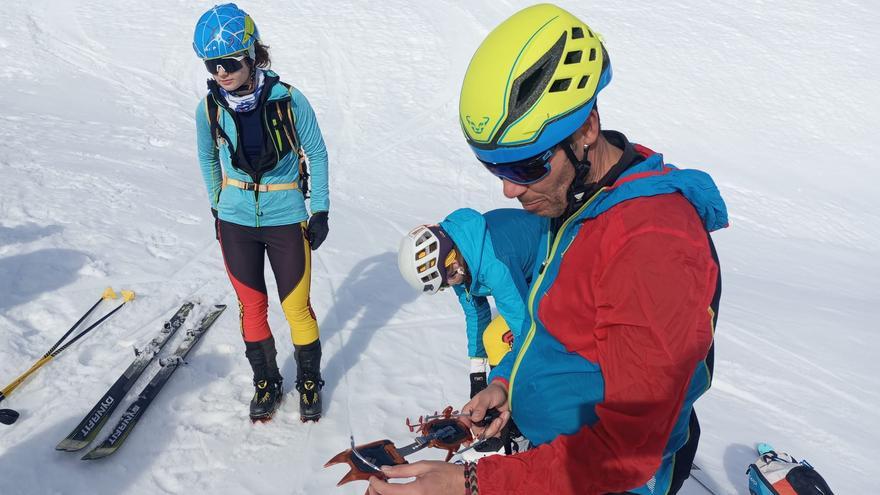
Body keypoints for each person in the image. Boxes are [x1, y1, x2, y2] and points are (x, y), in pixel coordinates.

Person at [369, 3, 727, 494]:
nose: (508, 191)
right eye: (496, 170)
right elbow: (554, 331)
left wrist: (472, 485)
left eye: (524, 168)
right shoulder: (578, 204)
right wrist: (509, 387)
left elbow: (627, 451)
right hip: (550, 455)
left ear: (586, 130)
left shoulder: (651, 246)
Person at [192, 3, 330, 422]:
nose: (221, 72)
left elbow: (318, 155)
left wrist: (319, 209)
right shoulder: (210, 108)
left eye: (229, 62)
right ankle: (266, 381)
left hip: (286, 216)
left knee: (296, 308)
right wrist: (219, 207)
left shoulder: (289, 99)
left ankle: (309, 383)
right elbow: (207, 159)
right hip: (235, 220)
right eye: (212, 64)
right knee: (251, 306)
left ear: (252, 55)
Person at [397, 208, 543, 399]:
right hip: (530, 277)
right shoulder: (459, 253)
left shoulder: (494, 265)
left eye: (447, 279)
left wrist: (505, 386)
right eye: (443, 286)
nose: (449, 286)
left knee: (500, 338)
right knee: (493, 338)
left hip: (560, 272)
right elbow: (476, 313)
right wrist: (478, 377)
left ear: (452, 262)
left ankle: (523, 402)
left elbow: (525, 329)